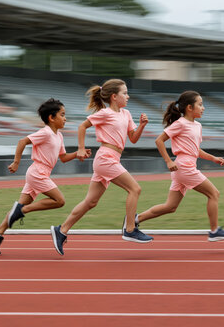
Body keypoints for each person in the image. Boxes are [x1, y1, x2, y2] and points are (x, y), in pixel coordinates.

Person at [50, 79, 151, 255]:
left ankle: (61, 230)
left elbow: (133, 138)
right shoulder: (104, 113)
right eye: (125, 93)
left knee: (91, 202)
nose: (128, 96)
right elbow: (82, 126)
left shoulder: (126, 114)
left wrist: (141, 125)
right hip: (105, 158)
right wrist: (80, 148)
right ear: (114, 96)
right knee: (135, 189)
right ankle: (129, 229)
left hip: (113, 158)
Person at [0, 98, 90, 255]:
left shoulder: (59, 136)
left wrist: (77, 154)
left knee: (18, 208)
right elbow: (22, 141)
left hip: (41, 173)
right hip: (37, 172)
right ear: (51, 118)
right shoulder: (46, 133)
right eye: (62, 115)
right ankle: (23, 210)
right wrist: (16, 162)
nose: (65, 118)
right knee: (59, 201)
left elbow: (62, 158)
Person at [135, 91, 224, 242]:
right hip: (184, 167)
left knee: (170, 206)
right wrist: (169, 161)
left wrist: (213, 158)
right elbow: (159, 140)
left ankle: (134, 220)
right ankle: (214, 231)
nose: (203, 108)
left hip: (184, 167)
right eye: (200, 104)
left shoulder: (197, 125)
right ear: (189, 107)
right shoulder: (180, 124)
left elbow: (195, 150)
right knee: (214, 194)